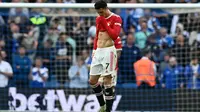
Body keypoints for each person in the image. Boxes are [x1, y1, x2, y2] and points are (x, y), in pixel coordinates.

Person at [89, 1, 122, 112]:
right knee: (92, 80)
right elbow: (97, 36)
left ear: (106, 8)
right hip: (98, 51)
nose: (100, 14)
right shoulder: (99, 18)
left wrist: (104, 22)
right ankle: (102, 105)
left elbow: (114, 35)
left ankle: (108, 110)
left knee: (108, 80)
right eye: (98, 12)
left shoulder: (116, 18)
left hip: (109, 51)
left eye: (101, 11)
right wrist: (94, 49)